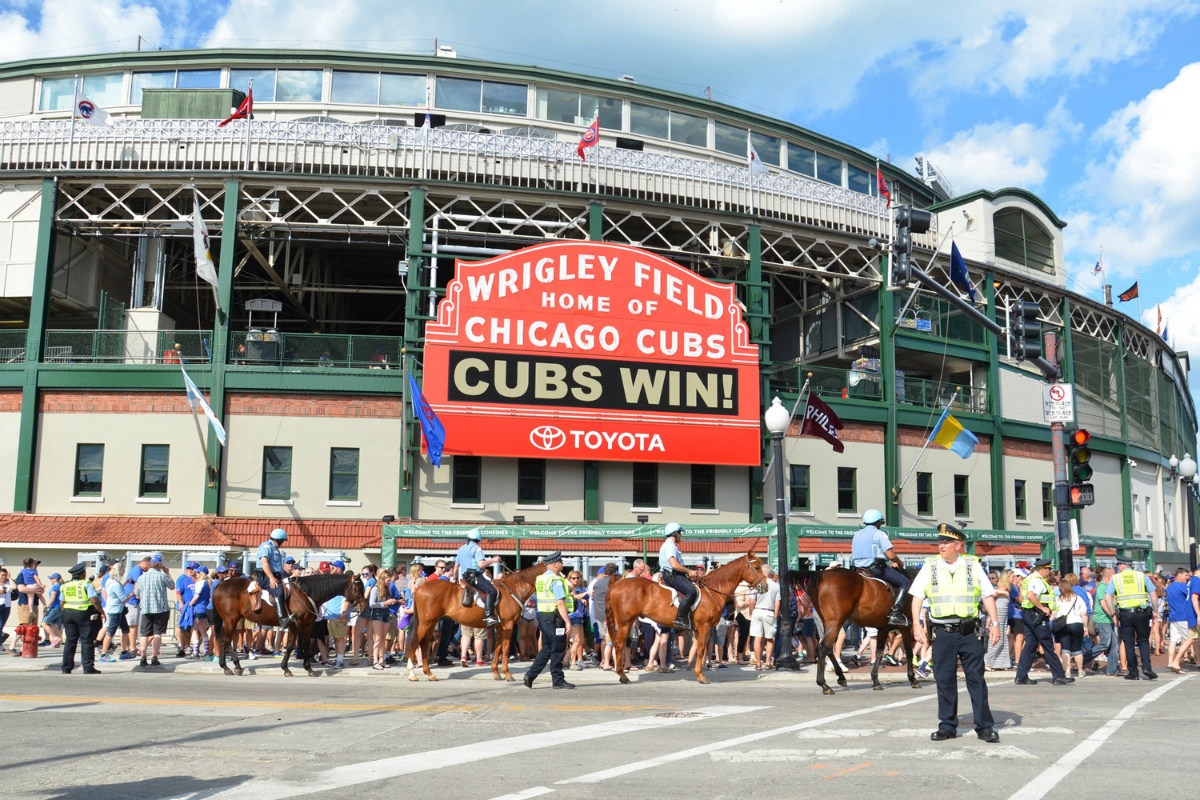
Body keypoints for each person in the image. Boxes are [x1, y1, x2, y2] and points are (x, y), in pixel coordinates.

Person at [909, 523, 1001, 743]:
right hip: (942, 632)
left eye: (946, 542)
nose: (941, 545)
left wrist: (995, 623)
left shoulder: (973, 565)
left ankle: (984, 726)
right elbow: (917, 597)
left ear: (958, 545)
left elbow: (988, 595)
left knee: (976, 680)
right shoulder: (930, 566)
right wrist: (916, 624)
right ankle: (947, 726)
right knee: (944, 680)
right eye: (940, 541)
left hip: (969, 632)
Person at [1014, 558, 1072, 686]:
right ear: (1042, 569)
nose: (1049, 572)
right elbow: (1030, 595)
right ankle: (1058, 676)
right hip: (1037, 615)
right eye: (1048, 569)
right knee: (1048, 645)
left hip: (1029, 614)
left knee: (1030, 646)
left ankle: (1021, 676)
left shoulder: (1029, 578)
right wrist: (1042, 607)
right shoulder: (1037, 580)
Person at [524, 551, 575, 689]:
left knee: (547, 647)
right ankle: (557, 680)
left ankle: (531, 675)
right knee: (557, 647)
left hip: (544, 616)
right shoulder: (555, 581)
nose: (562, 564)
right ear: (555, 564)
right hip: (555, 617)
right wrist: (568, 622)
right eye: (561, 562)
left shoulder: (541, 578)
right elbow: (560, 602)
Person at [851, 509, 910, 626]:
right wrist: (900, 563)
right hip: (875, 570)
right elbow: (890, 555)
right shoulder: (879, 534)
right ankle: (896, 614)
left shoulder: (857, 534)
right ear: (879, 522)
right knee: (905, 583)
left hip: (859, 570)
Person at [1106, 555, 1159, 681]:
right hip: (1142, 613)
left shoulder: (1116, 578)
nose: (1118, 568)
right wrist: (1156, 611)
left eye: (1118, 565)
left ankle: (1133, 672)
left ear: (1122, 565)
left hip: (1125, 614)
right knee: (1143, 641)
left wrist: (1113, 613)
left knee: (1128, 643)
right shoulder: (1141, 576)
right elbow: (1154, 595)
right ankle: (1147, 667)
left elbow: (1107, 597)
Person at [59, 563, 102, 675]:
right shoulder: (86, 584)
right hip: (83, 613)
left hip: (68, 613)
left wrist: (66, 613)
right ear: (82, 573)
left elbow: (62, 602)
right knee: (86, 640)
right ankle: (88, 667)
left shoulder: (65, 585)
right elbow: (94, 600)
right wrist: (101, 612)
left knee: (70, 641)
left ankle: (66, 667)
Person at [455, 528, 502, 626]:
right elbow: (481, 564)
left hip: (464, 577)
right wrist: (494, 560)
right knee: (492, 591)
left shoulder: (461, 548)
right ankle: (488, 616)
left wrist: (454, 579)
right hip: (475, 576)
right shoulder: (477, 548)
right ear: (478, 540)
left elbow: (456, 567)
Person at [134, 556, 174, 667]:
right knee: (157, 634)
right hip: (160, 608)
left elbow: (137, 594)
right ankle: (154, 657)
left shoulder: (142, 577)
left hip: (146, 608)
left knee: (144, 634)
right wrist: (168, 573)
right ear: (159, 565)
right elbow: (172, 586)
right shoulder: (162, 576)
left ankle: (143, 656)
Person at [658, 522, 698, 630]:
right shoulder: (670, 546)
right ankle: (679, 618)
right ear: (675, 533)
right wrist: (690, 571)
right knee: (692, 591)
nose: (680, 535)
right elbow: (674, 565)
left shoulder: (671, 545)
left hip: (675, 574)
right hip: (671, 575)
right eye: (679, 533)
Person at [255, 528, 293, 626]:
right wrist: (271, 577)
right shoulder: (266, 546)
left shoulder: (275, 549)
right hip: (266, 576)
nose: (283, 543)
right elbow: (264, 562)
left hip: (276, 575)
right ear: (279, 540)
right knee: (278, 590)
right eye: (283, 541)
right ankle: (282, 618)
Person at [1165, 568, 1197, 673]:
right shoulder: (1183, 587)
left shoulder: (1169, 587)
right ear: (1179, 575)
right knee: (1191, 638)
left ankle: (1170, 663)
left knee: (1173, 640)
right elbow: (1193, 596)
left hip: (1173, 616)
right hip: (1183, 616)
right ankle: (1178, 661)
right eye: (1185, 575)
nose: (1187, 578)